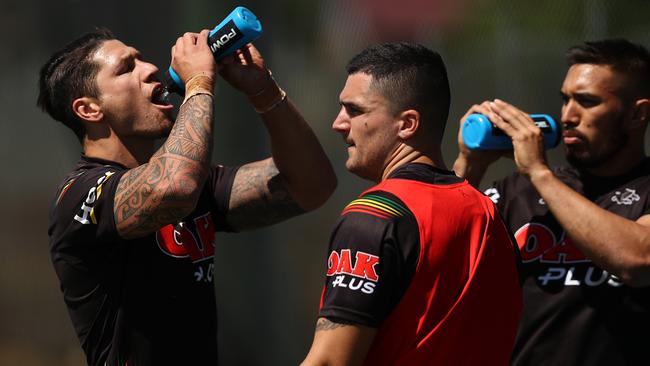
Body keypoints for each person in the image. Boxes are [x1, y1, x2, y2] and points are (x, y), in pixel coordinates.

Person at [38, 27, 336, 366]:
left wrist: (263, 90)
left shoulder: (198, 183)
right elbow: (174, 188)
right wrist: (198, 84)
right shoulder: (80, 195)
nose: (149, 68)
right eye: (125, 68)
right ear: (89, 110)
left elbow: (313, 185)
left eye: (140, 59)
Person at [300, 42, 522, 366]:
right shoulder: (489, 213)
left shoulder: (374, 216)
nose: (338, 123)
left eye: (355, 110)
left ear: (407, 124)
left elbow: (330, 361)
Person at [453, 39, 650, 365]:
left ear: (637, 114)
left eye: (587, 102)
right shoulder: (519, 191)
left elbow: (637, 260)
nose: (568, 115)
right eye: (565, 100)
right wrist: (470, 165)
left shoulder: (538, 178)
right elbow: (439, 257)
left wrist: (539, 173)